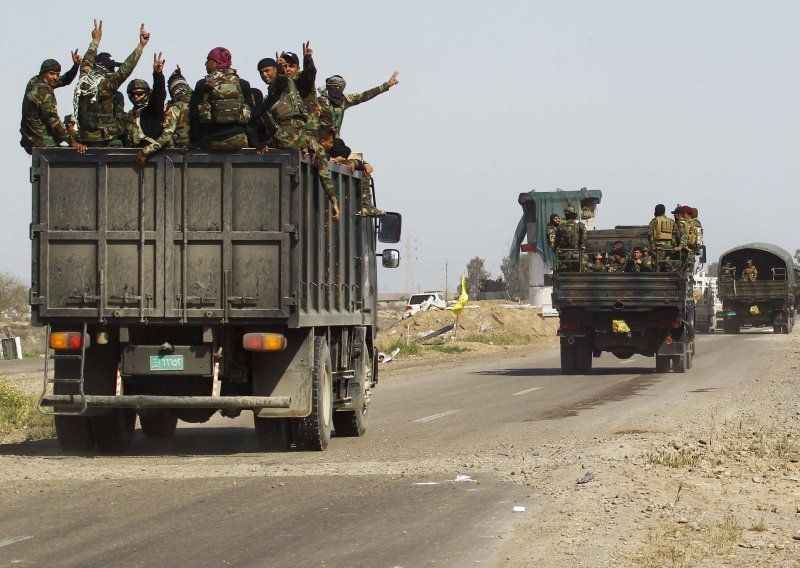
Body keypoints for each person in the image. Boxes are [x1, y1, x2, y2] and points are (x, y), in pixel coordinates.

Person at [74, 20, 150, 147]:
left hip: (85, 139)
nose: (112, 72)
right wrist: (141, 46)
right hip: (105, 140)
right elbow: (125, 69)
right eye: (111, 70)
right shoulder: (106, 86)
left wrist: (95, 41)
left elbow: (86, 62)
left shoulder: (84, 80)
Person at [20, 52, 86, 154]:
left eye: (57, 74)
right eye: (52, 73)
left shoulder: (36, 80)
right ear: (44, 73)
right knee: (78, 137)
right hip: (39, 141)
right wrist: (72, 142)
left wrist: (75, 66)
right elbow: (53, 120)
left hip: (30, 138)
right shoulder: (42, 91)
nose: (55, 77)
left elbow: (64, 80)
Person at [189, 47, 253, 151]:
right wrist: (255, 143)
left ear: (217, 63)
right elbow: (250, 117)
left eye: (208, 60)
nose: (205, 64)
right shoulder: (243, 84)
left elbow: (194, 116)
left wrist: (194, 143)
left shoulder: (202, 84)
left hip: (210, 142)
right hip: (238, 141)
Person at [137, 66, 193, 164]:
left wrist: (146, 151)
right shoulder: (198, 104)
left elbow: (166, 137)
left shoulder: (175, 109)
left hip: (176, 155)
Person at [318, 71, 399, 137]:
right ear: (329, 87)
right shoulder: (320, 102)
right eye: (335, 86)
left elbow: (365, 95)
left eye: (341, 87)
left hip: (334, 142)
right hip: (320, 141)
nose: (338, 89)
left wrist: (386, 85)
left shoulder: (345, 100)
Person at [255, 56, 307, 151]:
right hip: (290, 135)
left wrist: (280, 68)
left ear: (275, 70)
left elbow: (282, 79)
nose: (264, 74)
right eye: (261, 72)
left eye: (267, 70)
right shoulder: (271, 92)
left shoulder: (284, 83)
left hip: (288, 135)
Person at [123, 53, 166, 148]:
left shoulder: (151, 111)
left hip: (150, 155)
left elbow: (158, 95)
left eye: (139, 93)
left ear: (147, 93)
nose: (136, 96)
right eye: (132, 94)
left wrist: (158, 74)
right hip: (130, 156)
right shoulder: (128, 116)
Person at [280, 43, 321, 142]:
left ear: (298, 69)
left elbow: (310, 74)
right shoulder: (279, 85)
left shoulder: (301, 81)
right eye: (285, 66)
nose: (288, 69)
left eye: (291, 66)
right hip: (287, 133)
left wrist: (307, 60)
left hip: (308, 134)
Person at [307, 125, 340, 222]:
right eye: (330, 142)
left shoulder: (306, 137)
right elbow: (324, 176)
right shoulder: (320, 150)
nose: (332, 146)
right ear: (322, 142)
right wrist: (334, 202)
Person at [553, 205, 586, 271]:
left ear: (566, 215)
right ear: (575, 214)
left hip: (564, 257)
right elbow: (583, 241)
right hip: (577, 256)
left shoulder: (560, 227)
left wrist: (556, 250)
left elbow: (556, 244)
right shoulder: (580, 225)